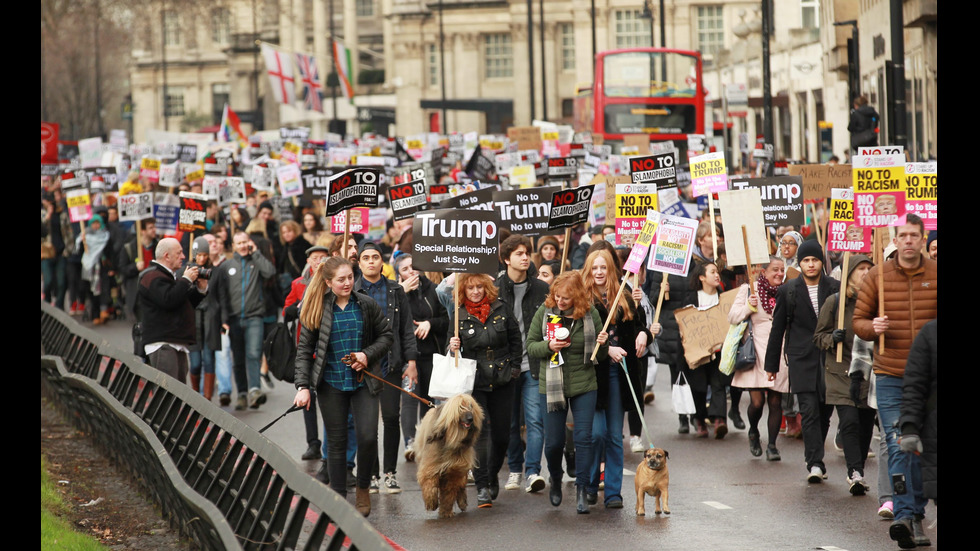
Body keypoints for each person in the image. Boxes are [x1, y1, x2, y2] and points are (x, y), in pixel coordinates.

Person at [852, 214, 937, 548]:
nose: (908, 241)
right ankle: (906, 515)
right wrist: (873, 328)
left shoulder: (935, 273)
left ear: (922, 237)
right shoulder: (878, 276)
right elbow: (858, 320)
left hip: (930, 378)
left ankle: (916, 512)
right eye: (902, 235)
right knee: (900, 442)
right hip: (890, 372)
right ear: (896, 239)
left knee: (920, 445)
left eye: (914, 235)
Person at [292, 257, 393, 517]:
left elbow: (386, 337)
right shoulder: (316, 308)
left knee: (368, 436)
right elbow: (304, 350)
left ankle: (362, 489)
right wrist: (303, 386)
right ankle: (338, 499)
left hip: (364, 382)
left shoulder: (366, 304)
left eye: (350, 277)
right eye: (341, 279)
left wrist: (366, 355)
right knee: (336, 443)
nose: (347, 283)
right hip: (331, 383)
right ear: (328, 282)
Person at [527, 271, 609, 513]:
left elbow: (599, 357)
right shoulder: (545, 312)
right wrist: (548, 346)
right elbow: (530, 346)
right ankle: (555, 477)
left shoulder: (590, 314)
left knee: (585, 439)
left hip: (584, 382)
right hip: (552, 383)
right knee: (553, 443)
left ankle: (582, 489)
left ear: (577, 297)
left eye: (565, 298)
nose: (560, 301)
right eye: (557, 296)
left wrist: (602, 345)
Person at [765, 240, 840, 483]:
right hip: (801, 358)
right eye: (806, 260)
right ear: (800, 263)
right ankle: (815, 463)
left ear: (821, 262)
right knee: (808, 411)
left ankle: (816, 456)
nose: (810, 264)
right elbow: (777, 330)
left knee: (824, 412)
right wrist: (771, 366)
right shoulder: (789, 290)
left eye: (814, 260)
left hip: (830, 358)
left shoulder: (835, 287)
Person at [447, 273, 523, 509]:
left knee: (502, 435)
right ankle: (481, 486)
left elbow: (515, 339)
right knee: (477, 434)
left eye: (480, 286)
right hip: (474, 381)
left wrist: (515, 369)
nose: (476, 291)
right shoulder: (458, 314)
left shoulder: (501, 308)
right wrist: (452, 347)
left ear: (487, 287)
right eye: (470, 288)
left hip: (502, 378)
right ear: (463, 291)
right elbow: (450, 351)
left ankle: (492, 476)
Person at [581, 249, 650, 508]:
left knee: (613, 435)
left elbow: (640, 327)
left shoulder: (624, 297)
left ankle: (612, 492)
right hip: (591, 374)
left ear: (611, 269)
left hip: (617, 374)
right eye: (594, 268)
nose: (599, 272)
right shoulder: (581, 297)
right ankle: (588, 482)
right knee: (596, 434)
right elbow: (578, 339)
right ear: (588, 270)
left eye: (603, 267)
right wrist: (605, 348)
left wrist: (645, 335)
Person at [354, 241, 418, 495]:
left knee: (391, 418)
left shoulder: (395, 291)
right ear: (359, 263)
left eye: (375, 257)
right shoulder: (354, 289)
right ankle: (371, 474)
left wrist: (411, 362)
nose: (371, 261)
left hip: (391, 362)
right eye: (366, 258)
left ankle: (390, 473)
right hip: (364, 365)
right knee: (368, 424)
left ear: (383, 262)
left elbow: (405, 329)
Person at [813, 254, 877, 495]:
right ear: (849, 274)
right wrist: (832, 339)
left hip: (868, 371)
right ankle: (855, 472)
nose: (865, 273)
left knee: (865, 423)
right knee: (849, 421)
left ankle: (858, 464)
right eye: (860, 268)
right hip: (840, 370)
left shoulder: (876, 302)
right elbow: (818, 337)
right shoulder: (835, 303)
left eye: (869, 269)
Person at [495, 235, 551, 494]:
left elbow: (553, 322)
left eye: (527, 252)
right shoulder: (494, 288)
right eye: (518, 253)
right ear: (506, 259)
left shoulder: (541, 288)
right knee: (509, 423)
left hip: (534, 364)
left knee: (535, 421)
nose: (525, 257)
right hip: (505, 365)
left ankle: (532, 472)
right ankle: (515, 469)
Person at [729, 257, 790, 461]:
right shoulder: (749, 289)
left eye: (782, 270)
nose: (779, 274)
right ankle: (753, 430)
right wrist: (748, 306)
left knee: (775, 400)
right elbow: (732, 317)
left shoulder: (788, 290)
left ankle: (772, 445)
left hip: (779, 350)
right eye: (775, 269)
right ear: (764, 272)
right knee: (757, 401)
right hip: (755, 350)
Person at [393, 254, 448, 464]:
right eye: (405, 269)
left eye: (414, 267)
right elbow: (390, 322)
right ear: (399, 274)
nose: (411, 272)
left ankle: (425, 441)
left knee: (428, 400)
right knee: (409, 399)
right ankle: (409, 442)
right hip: (408, 357)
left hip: (431, 355)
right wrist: (402, 293)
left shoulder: (434, 290)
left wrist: (429, 323)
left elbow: (447, 319)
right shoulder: (396, 293)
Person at [214, 231, 276, 410]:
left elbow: (270, 271)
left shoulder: (256, 262)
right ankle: (241, 393)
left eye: (245, 242)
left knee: (254, 353)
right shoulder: (227, 266)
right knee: (238, 357)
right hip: (233, 319)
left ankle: (254, 390)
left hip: (254, 316)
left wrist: (256, 253)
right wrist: (223, 318)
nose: (242, 246)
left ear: (249, 243)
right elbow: (222, 295)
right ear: (233, 246)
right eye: (238, 243)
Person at [283, 245, 330, 468]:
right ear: (308, 261)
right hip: (306, 345)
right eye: (315, 258)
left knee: (329, 398)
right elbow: (286, 311)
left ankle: (330, 446)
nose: (319, 261)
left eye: (323, 257)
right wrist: (301, 307)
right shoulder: (298, 283)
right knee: (307, 395)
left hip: (328, 347)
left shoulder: (332, 281)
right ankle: (313, 443)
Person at [137, 237, 208, 382]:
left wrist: (201, 289)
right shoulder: (152, 277)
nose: (183, 257)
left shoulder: (169, 277)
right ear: (167, 256)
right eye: (179, 253)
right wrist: (186, 280)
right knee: (167, 396)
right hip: (163, 345)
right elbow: (168, 300)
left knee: (178, 396)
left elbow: (183, 304)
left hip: (177, 343)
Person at [679, 261, 730, 438]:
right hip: (699, 353)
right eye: (712, 272)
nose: (717, 275)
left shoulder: (723, 297)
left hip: (719, 351)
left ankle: (719, 420)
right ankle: (699, 420)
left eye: (717, 272)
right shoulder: (692, 298)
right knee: (699, 387)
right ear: (701, 277)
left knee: (718, 384)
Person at [187, 235, 222, 400]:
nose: (201, 258)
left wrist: (223, 319)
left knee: (209, 360)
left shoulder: (214, 272)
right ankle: (195, 397)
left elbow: (221, 296)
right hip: (192, 321)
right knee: (194, 363)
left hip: (210, 319)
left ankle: (206, 399)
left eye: (204, 255)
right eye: (199, 254)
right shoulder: (187, 271)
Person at [118, 219, 159, 320]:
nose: (154, 230)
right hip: (138, 294)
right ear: (142, 231)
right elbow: (122, 269)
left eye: (154, 227)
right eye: (151, 228)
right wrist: (135, 267)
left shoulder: (159, 247)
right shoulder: (129, 247)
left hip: (156, 291)